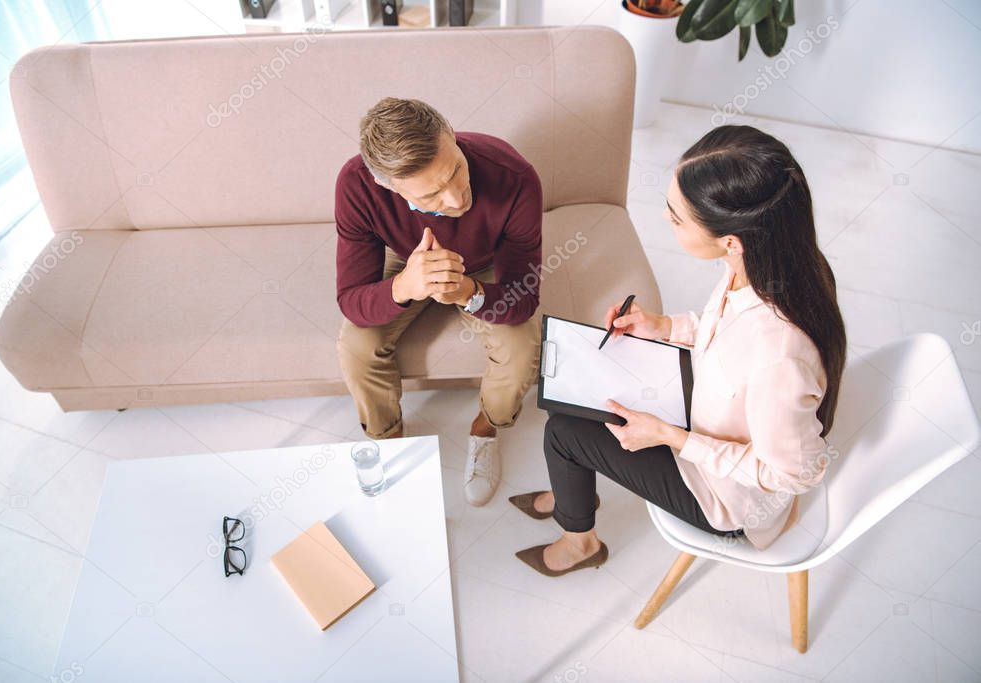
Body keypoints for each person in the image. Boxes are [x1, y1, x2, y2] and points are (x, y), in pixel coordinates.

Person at [510, 125, 847, 576]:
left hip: (727, 497)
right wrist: (664, 326)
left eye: (677, 217)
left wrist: (669, 437)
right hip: (713, 417)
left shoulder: (780, 352)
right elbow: (724, 337)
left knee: (563, 431)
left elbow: (793, 474)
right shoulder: (758, 265)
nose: (667, 221)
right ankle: (573, 489)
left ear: (730, 238)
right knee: (574, 402)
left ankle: (580, 542)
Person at [334, 97, 543, 506]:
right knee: (357, 347)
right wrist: (407, 285)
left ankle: (486, 429)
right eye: (431, 195)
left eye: (456, 171)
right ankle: (389, 438)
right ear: (387, 185)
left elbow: (524, 296)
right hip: (404, 259)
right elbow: (351, 301)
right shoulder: (356, 184)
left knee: (519, 349)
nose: (455, 198)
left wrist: (468, 291)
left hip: (484, 263)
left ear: (451, 134)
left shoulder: (515, 177)